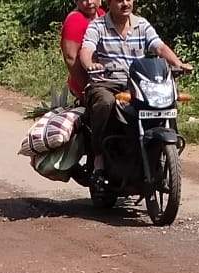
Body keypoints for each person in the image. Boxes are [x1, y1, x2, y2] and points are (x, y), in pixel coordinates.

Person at [78, 0, 190, 173]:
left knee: (166, 99)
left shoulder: (142, 24)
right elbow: (86, 49)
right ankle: (98, 154)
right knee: (105, 102)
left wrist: (178, 63)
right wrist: (89, 64)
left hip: (138, 83)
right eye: (119, 0)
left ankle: (166, 148)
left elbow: (159, 47)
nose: (125, 4)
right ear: (109, 3)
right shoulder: (97, 26)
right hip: (107, 83)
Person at [60, 0, 103, 102]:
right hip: (86, 82)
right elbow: (71, 58)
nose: (89, 2)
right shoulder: (75, 20)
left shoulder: (101, 14)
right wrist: (86, 88)